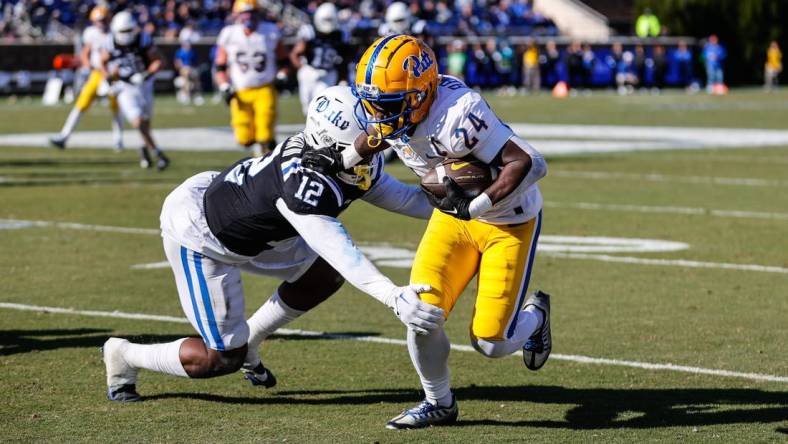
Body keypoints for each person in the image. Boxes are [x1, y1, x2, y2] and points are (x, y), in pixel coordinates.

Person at [102, 85, 443, 402]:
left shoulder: (337, 158)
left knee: (322, 276)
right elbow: (342, 252)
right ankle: (125, 355)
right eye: (368, 135)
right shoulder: (302, 185)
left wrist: (472, 202)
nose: (377, 140)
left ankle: (253, 338)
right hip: (203, 236)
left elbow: (407, 200)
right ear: (335, 142)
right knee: (221, 358)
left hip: (253, 220)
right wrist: (392, 296)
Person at [303, 35, 551, 429]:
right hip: (453, 219)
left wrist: (476, 204)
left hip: (508, 221)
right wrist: (344, 159)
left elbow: (531, 163)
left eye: (386, 105)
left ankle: (535, 317)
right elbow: (377, 134)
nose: (376, 114)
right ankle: (439, 402)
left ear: (421, 93)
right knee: (420, 313)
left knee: (491, 342)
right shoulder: (396, 105)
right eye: (372, 103)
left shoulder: (457, 115)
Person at [214, 0, 284, 156]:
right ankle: (263, 150)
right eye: (244, 14)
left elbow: (283, 59)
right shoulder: (229, 34)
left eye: (251, 13)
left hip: (265, 87)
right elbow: (220, 65)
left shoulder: (270, 31)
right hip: (240, 90)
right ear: (237, 15)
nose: (248, 18)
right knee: (244, 138)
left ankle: (269, 157)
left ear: (257, 14)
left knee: (265, 132)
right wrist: (224, 86)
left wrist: (282, 75)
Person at [102, 11, 169, 170]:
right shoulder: (110, 42)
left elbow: (158, 61)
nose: (125, 35)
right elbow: (102, 62)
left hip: (145, 83)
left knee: (145, 121)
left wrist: (146, 74)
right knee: (137, 121)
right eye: (122, 31)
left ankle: (144, 149)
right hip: (125, 86)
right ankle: (158, 153)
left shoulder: (143, 39)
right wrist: (110, 77)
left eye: (128, 31)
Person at [50, 5, 123, 151]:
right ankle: (64, 136)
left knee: (115, 107)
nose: (101, 23)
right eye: (98, 20)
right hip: (96, 74)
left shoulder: (115, 33)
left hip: (112, 75)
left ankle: (118, 140)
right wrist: (86, 63)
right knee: (81, 103)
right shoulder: (91, 33)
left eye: (103, 20)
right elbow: (85, 52)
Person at [290, 3, 350, 116]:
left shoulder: (341, 34)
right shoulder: (309, 31)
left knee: (322, 108)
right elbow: (295, 54)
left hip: (328, 73)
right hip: (309, 71)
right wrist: (303, 69)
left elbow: (345, 58)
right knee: (307, 109)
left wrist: (343, 77)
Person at [174, 40, 202, 105]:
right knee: (186, 77)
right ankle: (186, 95)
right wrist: (183, 68)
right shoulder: (180, 52)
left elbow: (196, 62)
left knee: (196, 78)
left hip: (192, 68)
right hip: (183, 68)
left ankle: (196, 95)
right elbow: (177, 63)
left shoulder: (192, 52)